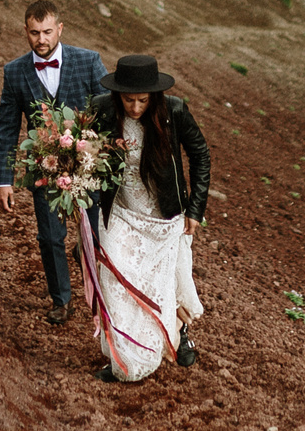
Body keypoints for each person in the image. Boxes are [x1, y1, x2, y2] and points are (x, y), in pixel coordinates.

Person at [81, 53, 210, 383]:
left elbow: (201, 156)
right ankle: (124, 359)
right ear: (117, 95)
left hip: (163, 216)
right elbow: (84, 152)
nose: (135, 108)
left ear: (153, 95)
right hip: (121, 212)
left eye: (142, 100)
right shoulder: (102, 109)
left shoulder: (174, 111)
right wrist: (97, 157)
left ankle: (172, 335)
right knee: (115, 281)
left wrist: (195, 209)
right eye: (128, 100)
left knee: (160, 286)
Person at [0, 0, 106, 325]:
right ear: (26, 32)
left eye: (46, 32)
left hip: (88, 161)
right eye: (33, 33)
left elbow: (109, 111)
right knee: (50, 236)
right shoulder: (15, 73)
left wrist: (102, 148)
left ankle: (84, 253)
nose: (41, 39)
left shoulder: (89, 61)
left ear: (59, 29)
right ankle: (62, 300)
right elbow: (6, 129)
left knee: (98, 234)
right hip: (44, 164)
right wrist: (3, 180)